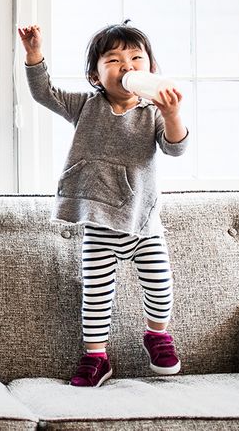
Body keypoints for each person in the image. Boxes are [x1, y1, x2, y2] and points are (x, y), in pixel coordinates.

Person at [17, 20, 189, 388]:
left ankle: (157, 335)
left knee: (160, 286)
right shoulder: (86, 108)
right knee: (95, 298)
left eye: (135, 58)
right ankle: (96, 358)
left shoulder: (152, 113)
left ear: (150, 70)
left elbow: (175, 147)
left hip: (142, 223)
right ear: (95, 76)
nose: (126, 65)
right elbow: (44, 93)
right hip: (98, 224)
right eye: (113, 59)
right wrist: (34, 55)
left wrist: (173, 114)